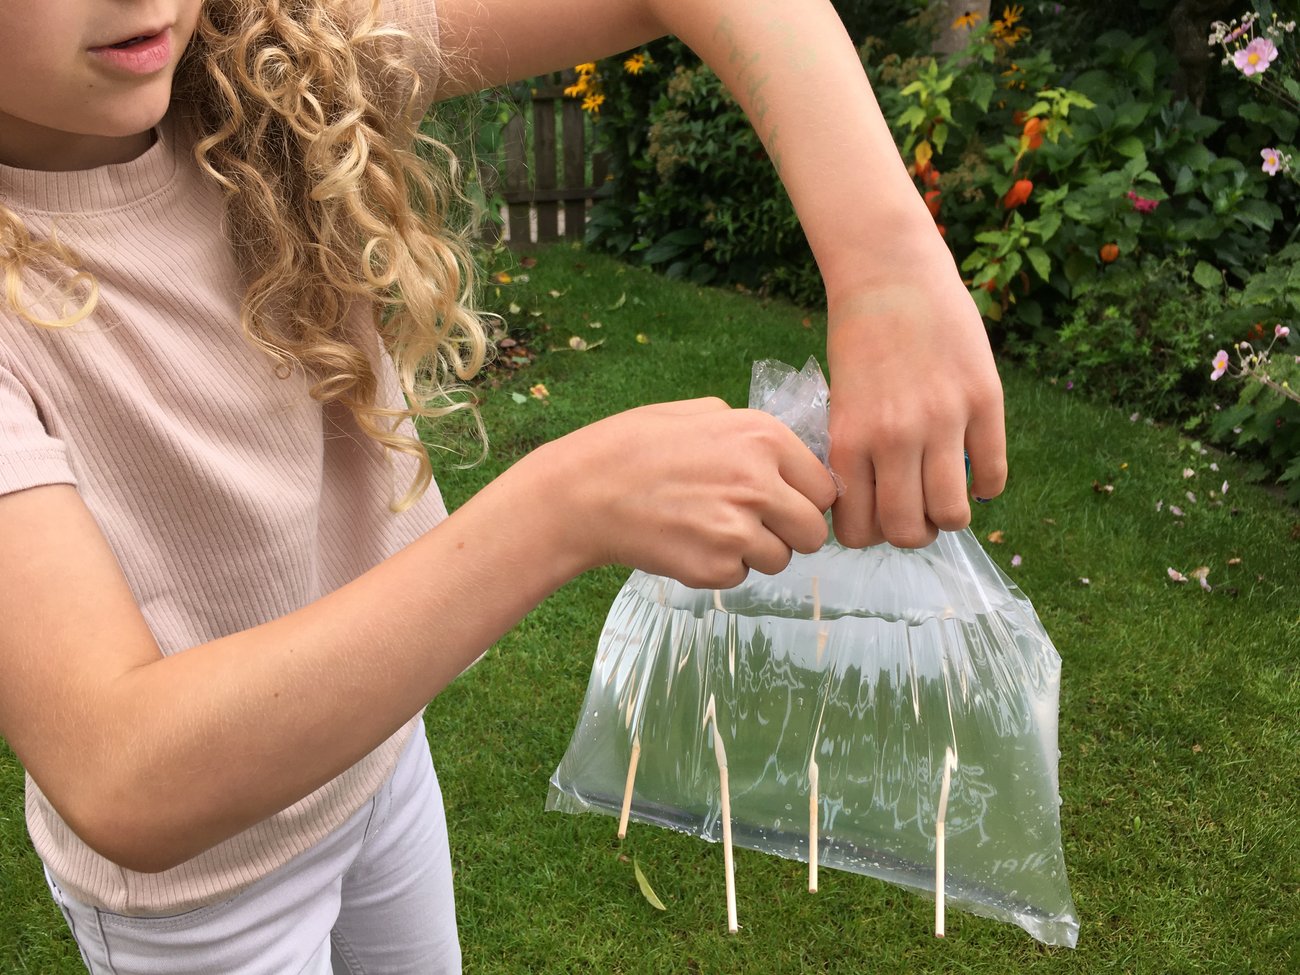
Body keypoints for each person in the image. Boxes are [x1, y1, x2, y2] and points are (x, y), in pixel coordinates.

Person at [0, 0, 1006, 971]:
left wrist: (885, 268)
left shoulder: (267, 58)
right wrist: (566, 506)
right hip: (206, 898)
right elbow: (123, 771)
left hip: (375, 759)